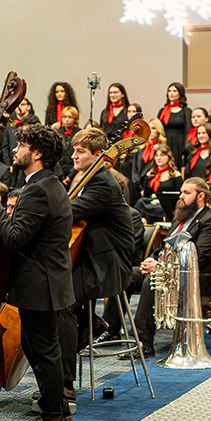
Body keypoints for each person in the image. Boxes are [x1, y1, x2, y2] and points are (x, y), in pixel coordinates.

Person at [0, 123, 74, 421]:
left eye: (22, 144)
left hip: (40, 283)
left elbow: (15, 239)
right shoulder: (47, 184)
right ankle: (60, 416)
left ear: (37, 153)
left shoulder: (38, 188)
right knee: (40, 348)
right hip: (46, 281)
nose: (15, 149)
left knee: (42, 350)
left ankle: (53, 419)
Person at [56, 128, 135, 402]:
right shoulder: (93, 179)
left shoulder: (102, 184)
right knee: (58, 293)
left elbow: (67, 211)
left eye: (81, 152)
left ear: (99, 156)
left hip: (107, 265)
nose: (74, 155)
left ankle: (64, 386)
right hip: (92, 259)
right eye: (74, 150)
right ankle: (92, 326)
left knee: (62, 303)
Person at [127, 178, 211, 356]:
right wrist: (151, 260)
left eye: (186, 193)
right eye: (181, 192)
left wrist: (160, 267)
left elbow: (198, 258)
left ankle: (144, 344)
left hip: (195, 277)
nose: (181, 196)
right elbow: (165, 247)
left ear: (200, 196)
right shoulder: (181, 217)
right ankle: (111, 328)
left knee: (151, 282)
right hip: (169, 270)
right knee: (125, 275)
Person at [134, 143, 182, 223]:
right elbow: (145, 197)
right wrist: (142, 216)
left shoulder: (175, 175)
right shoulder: (150, 175)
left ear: (169, 157)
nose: (159, 158)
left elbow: (179, 198)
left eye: (162, 155)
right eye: (156, 155)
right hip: (150, 212)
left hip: (168, 213)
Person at [157, 82, 192, 161]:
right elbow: (158, 128)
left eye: (174, 91)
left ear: (180, 94)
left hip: (179, 143)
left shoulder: (186, 111)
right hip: (165, 142)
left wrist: (186, 149)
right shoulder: (162, 111)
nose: (171, 93)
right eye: (169, 91)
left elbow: (188, 131)